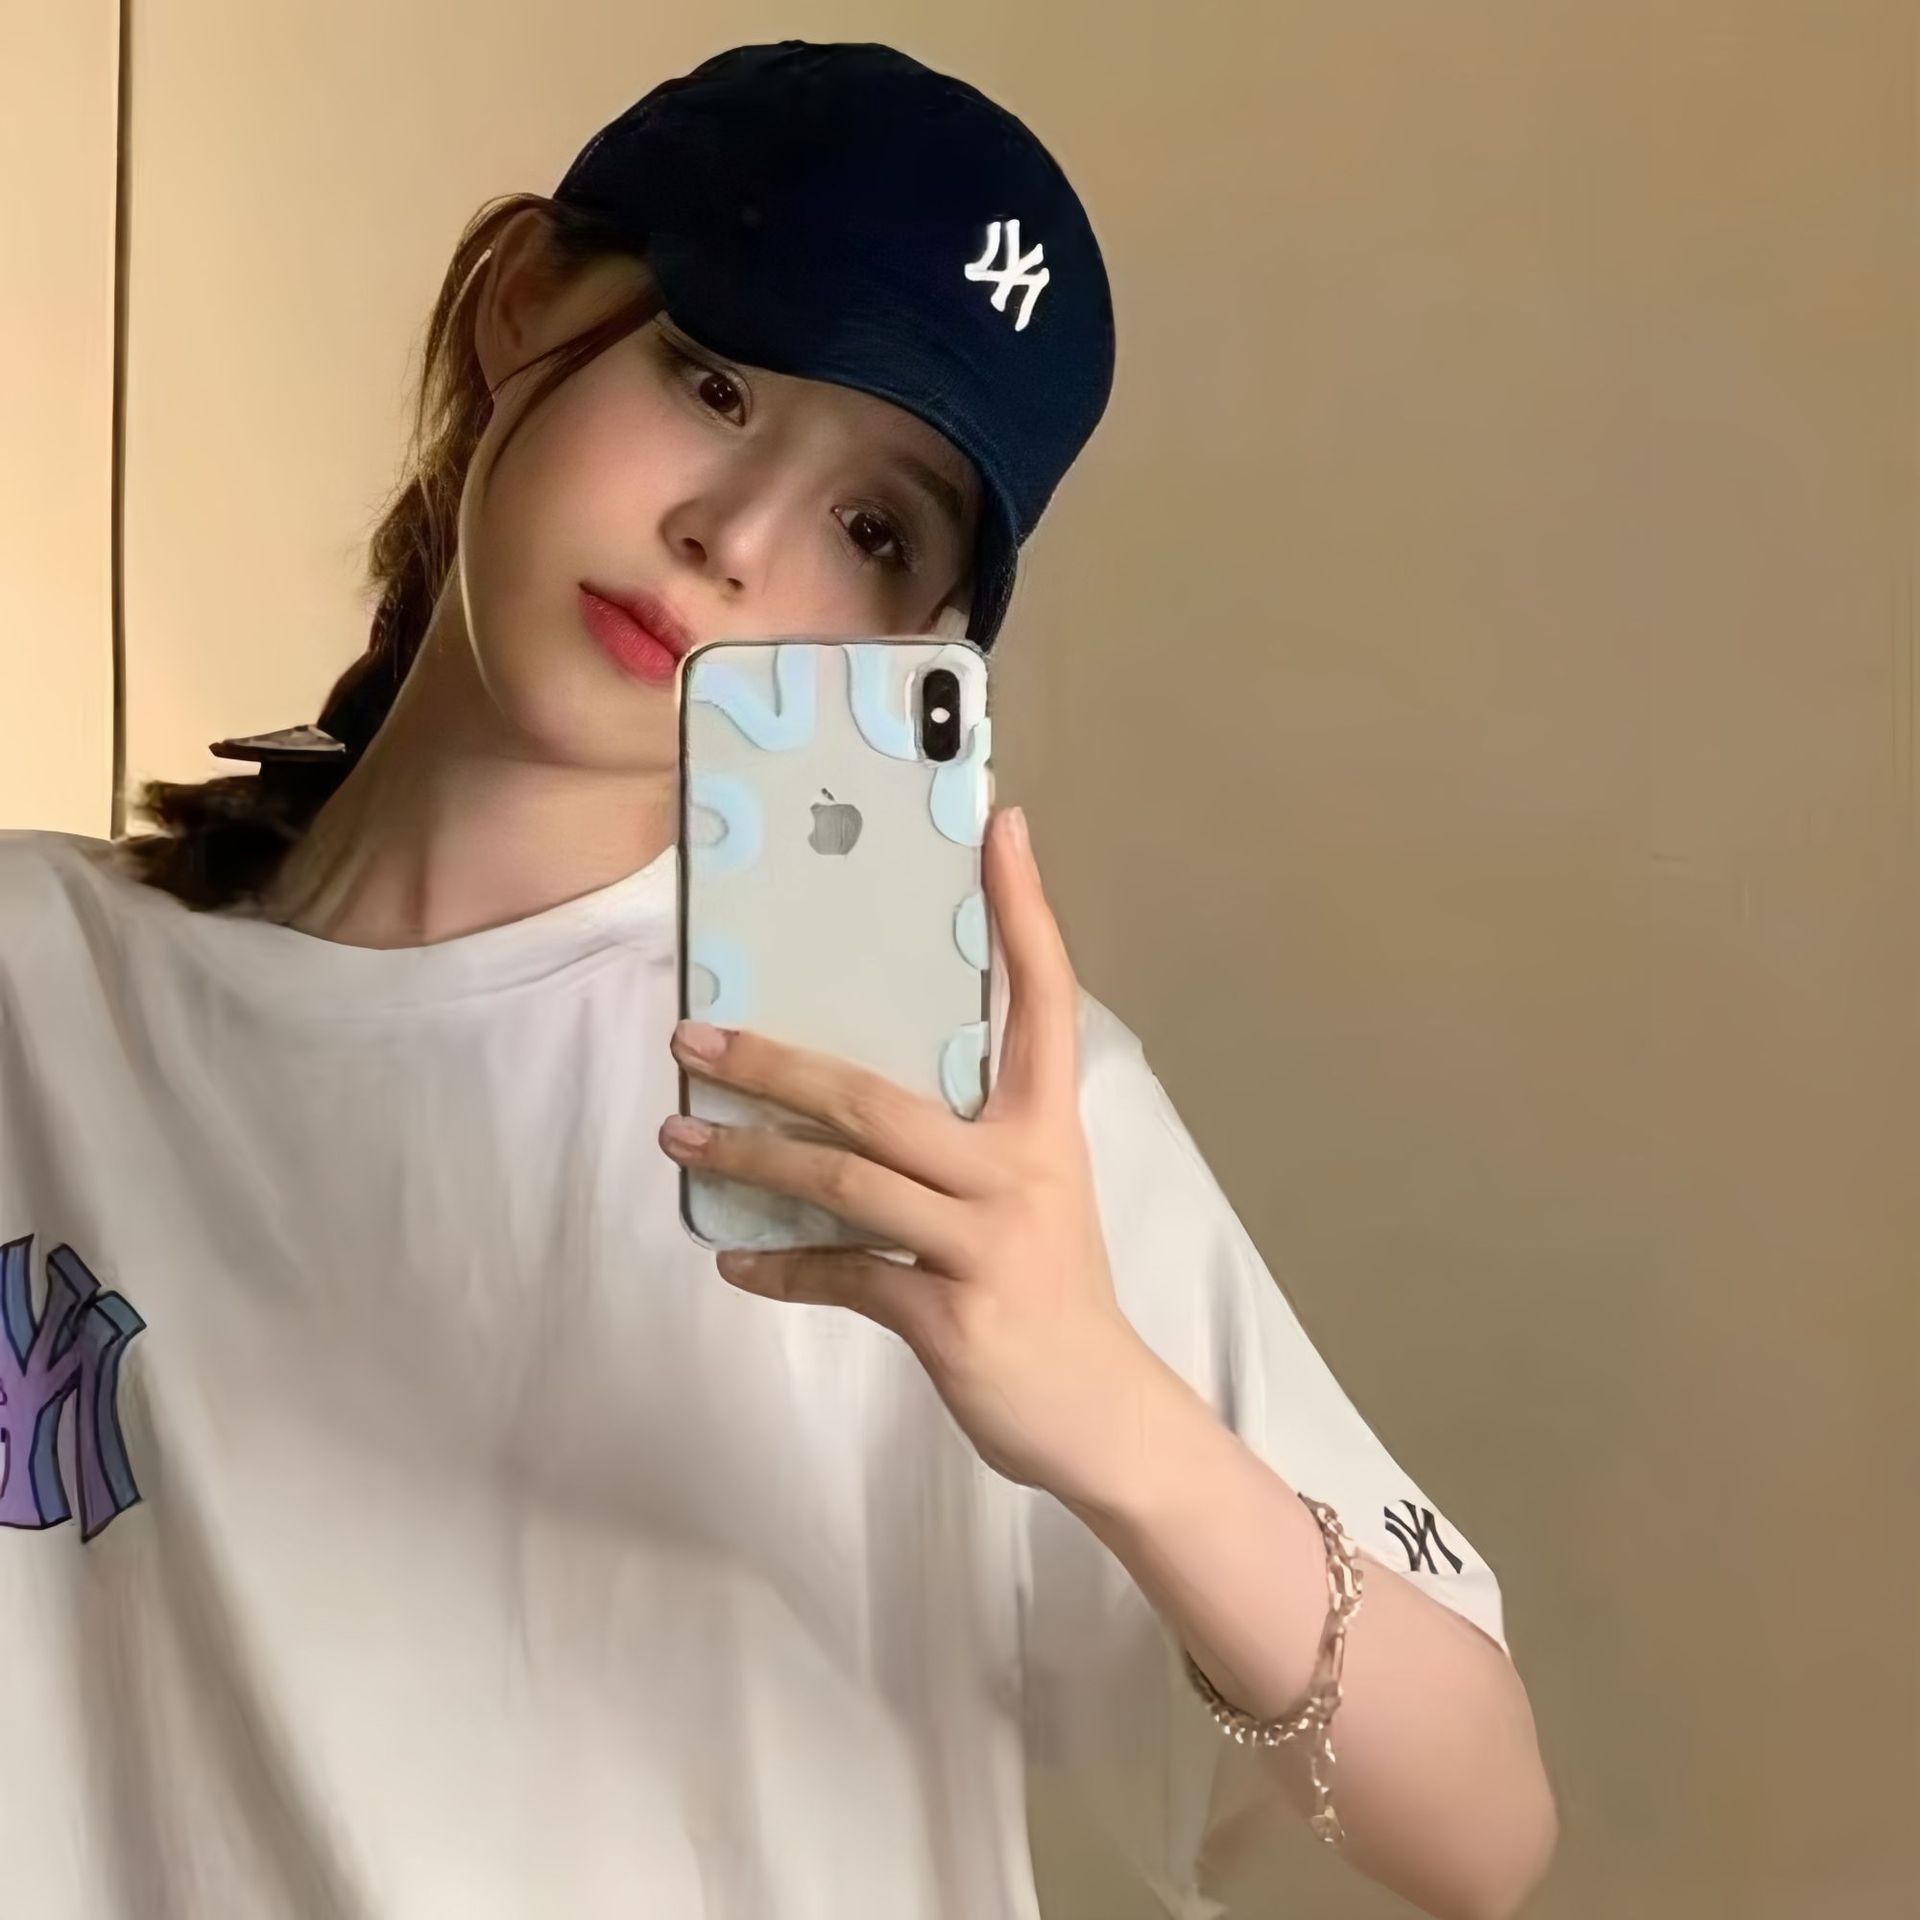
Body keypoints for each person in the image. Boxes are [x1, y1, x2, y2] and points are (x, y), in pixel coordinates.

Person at [0, 38, 1555, 1920]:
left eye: (872, 528)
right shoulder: (37, 988)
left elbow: (1481, 1834)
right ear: (524, 304)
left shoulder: (960, 1123)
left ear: (918, 644)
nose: (731, 545)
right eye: (715, 380)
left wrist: (1101, 1404)